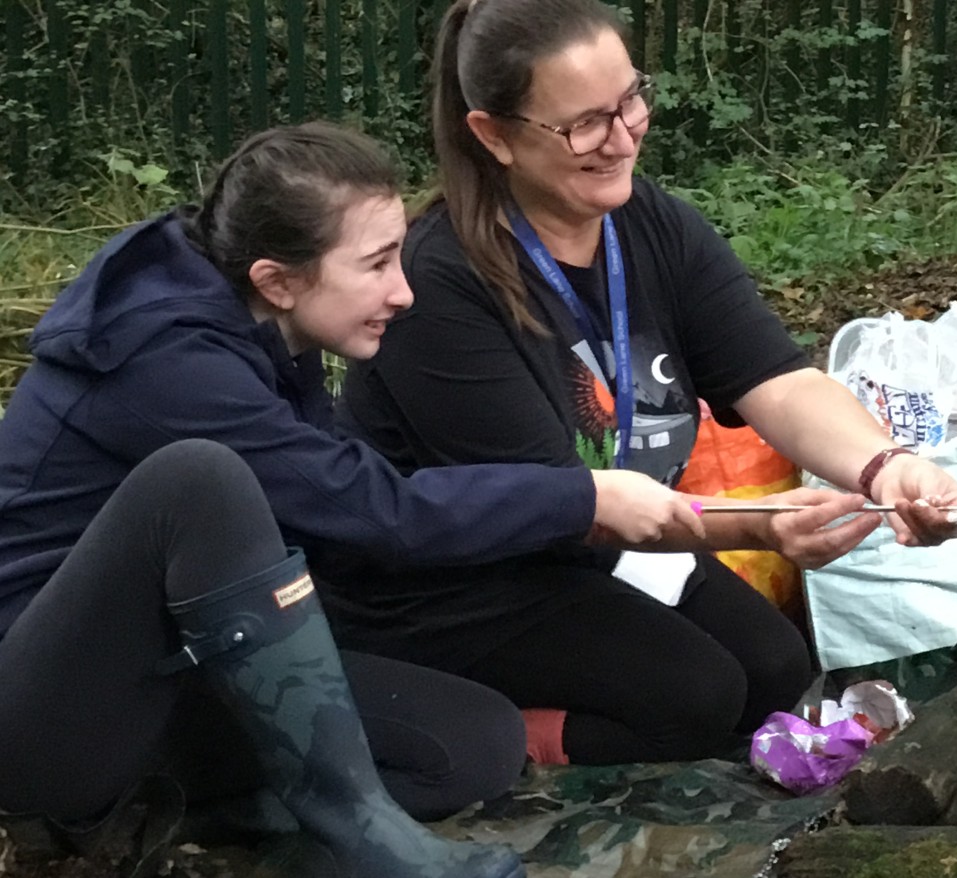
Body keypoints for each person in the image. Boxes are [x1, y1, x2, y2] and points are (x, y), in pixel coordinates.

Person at [0, 122, 708, 877]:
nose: (403, 291)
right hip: (45, 711)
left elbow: (344, 515)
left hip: (168, 676)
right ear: (277, 279)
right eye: (376, 264)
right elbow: (374, 510)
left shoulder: (258, 323)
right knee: (197, 481)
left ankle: (161, 821)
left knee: (473, 745)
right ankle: (357, 836)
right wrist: (582, 497)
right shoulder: (168, 362)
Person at [324, 0, 957, 768]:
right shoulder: (438, 285)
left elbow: (779, 380)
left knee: (775, 668)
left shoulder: (652, 227)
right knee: (691, 699)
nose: (625, 135)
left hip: (602, 547)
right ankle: (497, 735)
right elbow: (561, 505)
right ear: (493, 135)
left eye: (631, 98)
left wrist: (887, 468)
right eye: (584, 124)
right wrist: (760, 525)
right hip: (457, 579)